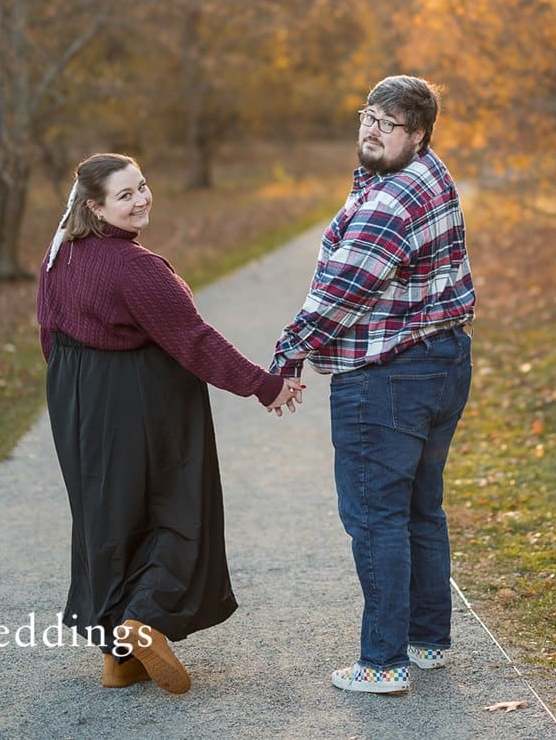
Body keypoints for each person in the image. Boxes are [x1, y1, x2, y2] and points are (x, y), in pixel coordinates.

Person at [36, 152, 302, 694]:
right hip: (141, 398)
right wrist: (265, 384)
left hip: (77, 402)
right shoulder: (134, 267)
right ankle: (144, 619)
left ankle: (118, 656)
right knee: (175, 502)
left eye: (142, 187)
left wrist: (80, 400)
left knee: (106, 516)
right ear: (95, 206)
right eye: (125, 195)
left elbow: (49, 334)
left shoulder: (60, 256)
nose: (140, 200)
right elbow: (193, 340)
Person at [270, 75, 475, 696]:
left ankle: (383, 663)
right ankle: (427, 641)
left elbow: (342, 293)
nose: (372, 130)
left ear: (419, 134)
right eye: (367, 116)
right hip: (442, 363)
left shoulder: (391, 201)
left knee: (375, 516)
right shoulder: (428, 173)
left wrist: (289, 353)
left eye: (388, 125)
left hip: (388, 378)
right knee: (418, 507)